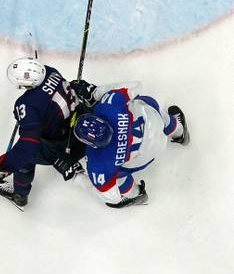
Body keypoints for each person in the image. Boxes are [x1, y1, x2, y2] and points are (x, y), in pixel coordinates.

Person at [70, 80, 189, 208]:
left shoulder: (97, 163)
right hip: (155, 125)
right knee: (146, 105)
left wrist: (78, 175)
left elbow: (113, 198)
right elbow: (136, 85)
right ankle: (180, 132)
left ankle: (136, 194)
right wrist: (95, 93)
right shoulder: (106, 105)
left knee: (116, 175)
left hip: (150, 154)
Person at [0, 58, 84, 209]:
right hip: (82, 123)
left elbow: (27, 147)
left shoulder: (27, 104)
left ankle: (20, 195)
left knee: (26, 157)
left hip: (68, 144)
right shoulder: (51, 71)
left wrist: (3, 166)